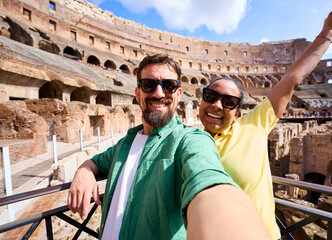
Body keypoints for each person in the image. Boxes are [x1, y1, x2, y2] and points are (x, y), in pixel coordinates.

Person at [68, 54, 271, 239]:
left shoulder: (190, 139)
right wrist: (84, 171)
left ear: (178, 94)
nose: (158, 93)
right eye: (149, 85)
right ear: (138, 93)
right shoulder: (125, 143)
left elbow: (208, 180)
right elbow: (95, 163)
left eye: (169, 86)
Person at [198, 6, 332, 240]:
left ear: (237, 110)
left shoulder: (253, 125)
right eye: (210, 97)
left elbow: (291, 80)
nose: (217, 105)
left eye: (228, 101)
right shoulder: (187, 141)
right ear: (201, 101)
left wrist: (326, 35)